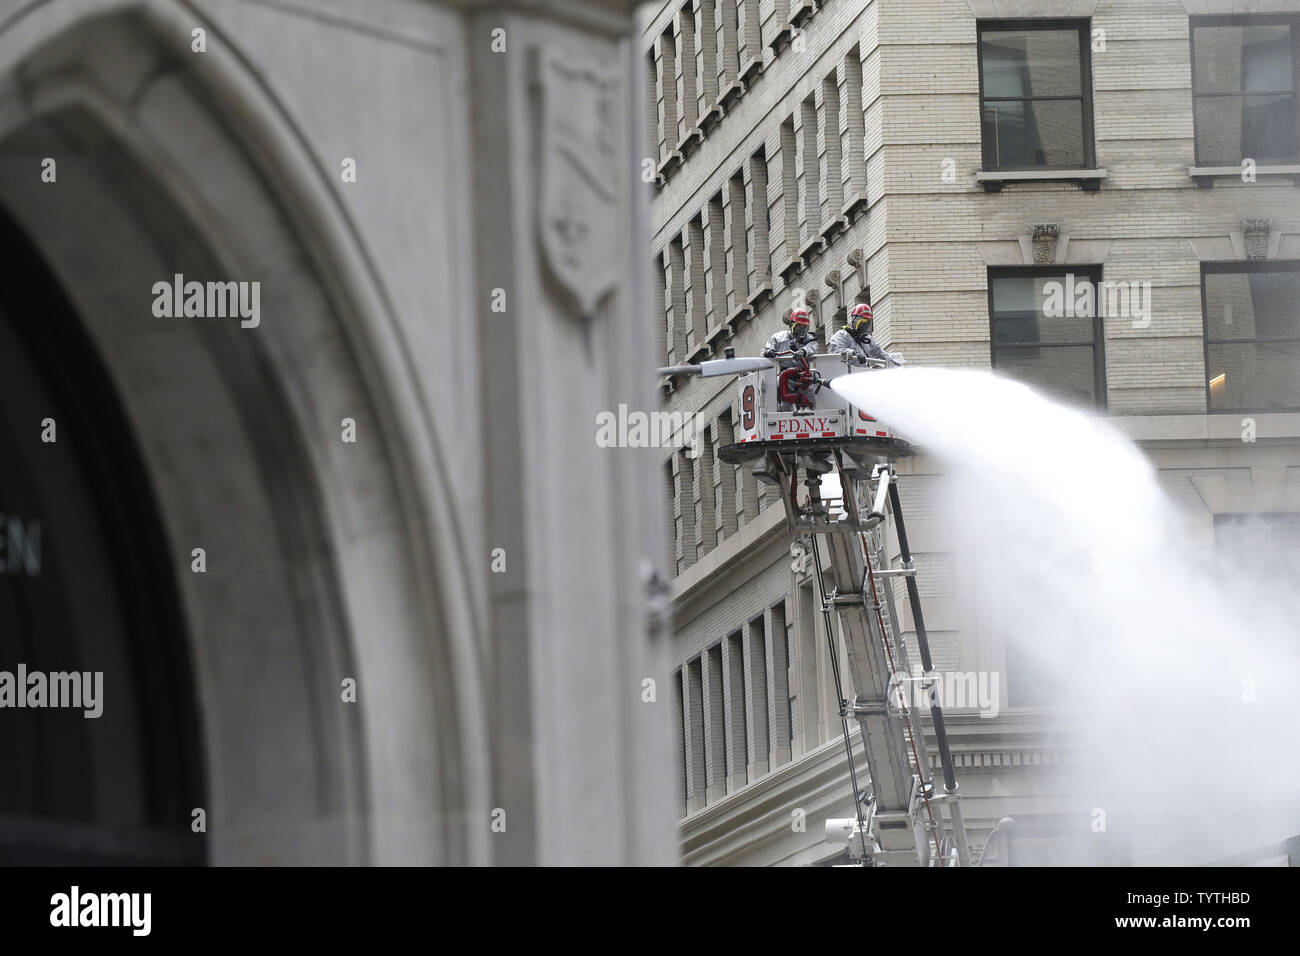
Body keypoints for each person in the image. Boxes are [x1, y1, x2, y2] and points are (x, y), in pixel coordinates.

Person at [829, 303, 904, 367]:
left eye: (867, 323)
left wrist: (893, 362)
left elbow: (881, 353)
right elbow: (838, 352)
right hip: (846, 373)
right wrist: (854, 353)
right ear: (855, 319)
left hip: (862, 373)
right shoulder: (841, 335)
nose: (864, 326)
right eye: (863, 322)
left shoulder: (867, 339)